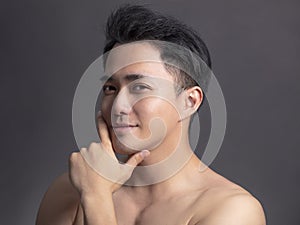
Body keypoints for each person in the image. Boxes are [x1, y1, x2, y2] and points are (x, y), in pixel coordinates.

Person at [36, 4, 266, 225]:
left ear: (189, 102)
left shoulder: (231, 210)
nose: (118, 107)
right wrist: (92, 191)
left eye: (140, 87)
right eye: (110, 88)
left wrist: (96, 198)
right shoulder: (68, 191)